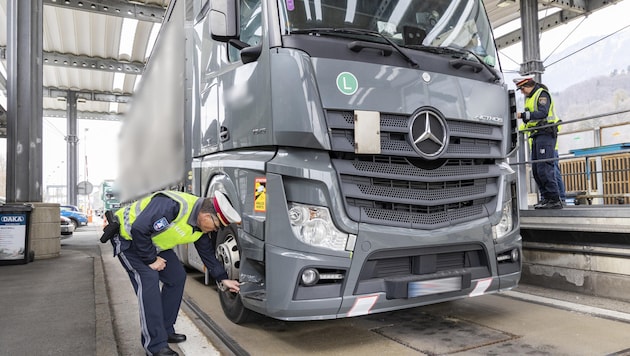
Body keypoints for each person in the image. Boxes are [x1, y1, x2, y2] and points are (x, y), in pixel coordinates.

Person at [107, 190, 242, 356]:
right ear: (207, 215)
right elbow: (139, 228)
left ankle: (165, 329)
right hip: (127, 239)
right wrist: (151, 260)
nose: (214, 231)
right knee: (149, 281)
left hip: (151, 244)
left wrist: (223, 278)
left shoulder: (199, 226)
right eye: (215, 227)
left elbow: (206, 252)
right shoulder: (173, 205)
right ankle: (155, 345)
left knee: (177, 277)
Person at [514, 75, 563, 209]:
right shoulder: (530, 98)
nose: (522, 92)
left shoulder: (541, 94)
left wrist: (522, 115)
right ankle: (546, 198)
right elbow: (531, 118)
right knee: (536, 169)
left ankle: (554, 199)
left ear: (527, 86)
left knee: (544, 168)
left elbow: (543, 113)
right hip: (536, 135)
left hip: (545, 134)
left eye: (522, 89)